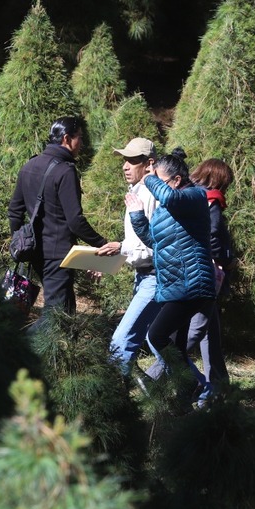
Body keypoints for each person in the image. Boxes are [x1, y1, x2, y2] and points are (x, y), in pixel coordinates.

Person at [8, 116, 120, 313]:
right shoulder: (65, 171)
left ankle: (64, 343)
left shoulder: (29, 166)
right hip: (58, 255)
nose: (82, 144)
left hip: (35, 252)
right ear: (67, 139)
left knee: (66, 309)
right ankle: (24, 343)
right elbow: (75, 221)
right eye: (80, 138)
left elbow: (14, 211)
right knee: (57, 314)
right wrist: (102, 244)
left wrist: (20, 241)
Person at [125, 150, 216, 388]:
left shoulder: (194, 196)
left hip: (191, 283)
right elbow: (155, 242)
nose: (154, 188)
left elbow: (170, 198)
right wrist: (137, 216)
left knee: (156, 335)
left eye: (159, 182)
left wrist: (148, 175)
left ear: (176, 180)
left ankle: (192, 384)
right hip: (176, 284)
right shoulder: (168, 209)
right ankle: (185, 402)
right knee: (175, 346)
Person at [182, 157, 236, 405]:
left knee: (210, 334)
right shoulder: (211, 200)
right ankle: (155, 373)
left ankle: (218, 385)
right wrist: (222, 259)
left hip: (193, 269)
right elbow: (212, 236)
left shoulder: (190, 194)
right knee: (195, 331)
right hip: (207, 273)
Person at [108, 137, 163, 375]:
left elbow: (153, 246)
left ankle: (113, 399)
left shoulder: (150, 194)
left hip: (154, 277)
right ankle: (198, 391)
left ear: (149, 163)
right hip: (143, 277)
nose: (124, 166)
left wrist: (120, 248)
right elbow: (136, 243)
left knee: (121, 341)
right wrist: (112, 258)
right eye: (124, 160)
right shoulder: (137, 191)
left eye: (131, 160)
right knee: (160, 343)